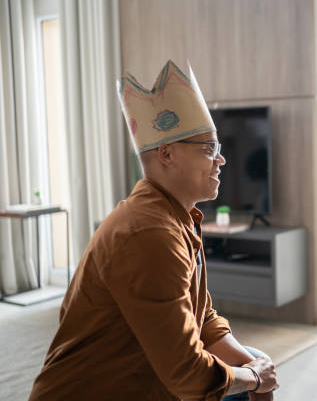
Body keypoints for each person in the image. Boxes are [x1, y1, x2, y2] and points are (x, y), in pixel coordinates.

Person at [29, 60, 279, 401]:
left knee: (251, 360)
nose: (221, 160)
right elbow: (187, 376)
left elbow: (202, 316)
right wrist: (252, 378)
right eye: (209, 149)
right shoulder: (149, 235)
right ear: (167, 154)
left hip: (151, 376)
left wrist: (254, 368)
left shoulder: (180, 216)